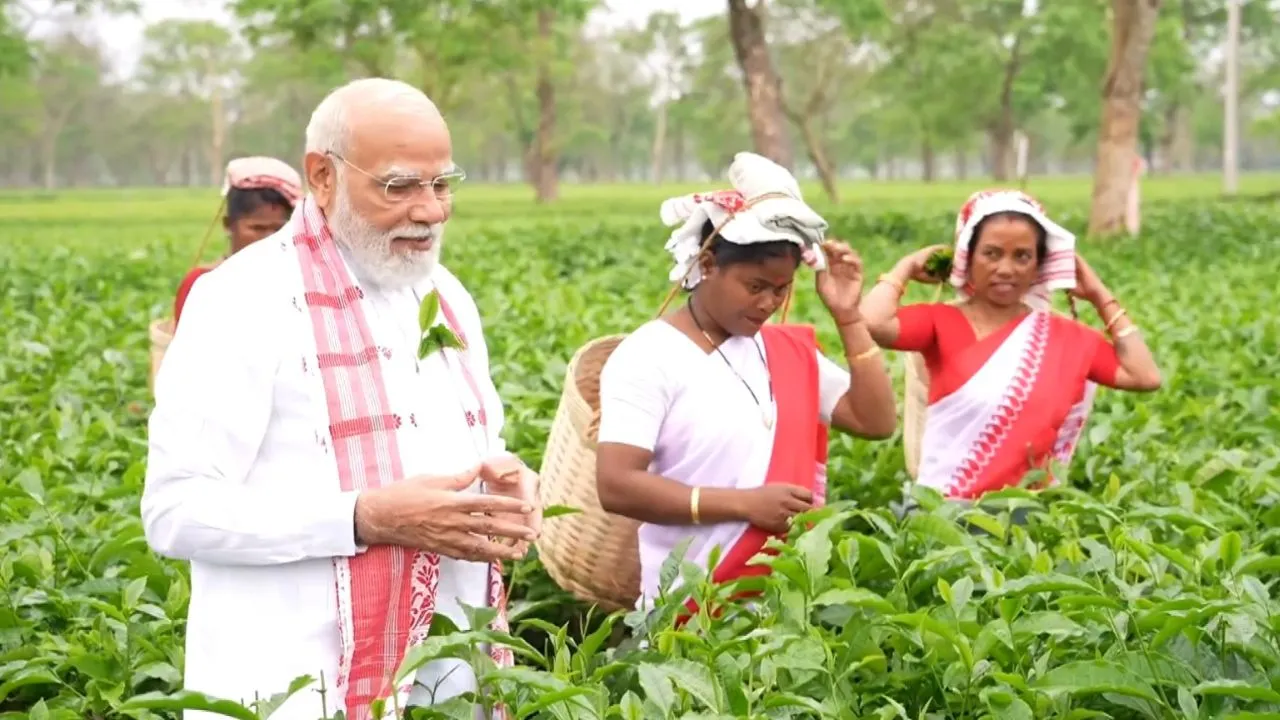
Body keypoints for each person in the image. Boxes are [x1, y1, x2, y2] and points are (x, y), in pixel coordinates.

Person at [141, 78, 541, 720]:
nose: (431, 210)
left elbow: (475, 449)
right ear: (322, 177)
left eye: (442, 185)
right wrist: (362, 518)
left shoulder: (447, 296)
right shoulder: (242, 299)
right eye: (399, 186)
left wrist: (509, 481)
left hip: (444, 679)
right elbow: (175, 510)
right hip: (293, 689)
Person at [594, 152, 898, 611]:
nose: (768, 304)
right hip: (686, 607)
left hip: (781, 605)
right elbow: (616, 484)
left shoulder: (784, 352)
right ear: (709, 263)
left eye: (781, 289)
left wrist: (849, 315)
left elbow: (874, 420)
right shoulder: (648, 355)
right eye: (755, 286)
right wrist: (744, 504)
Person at [860, 189, 1161, 502]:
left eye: (1022, 256)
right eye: (991, 253)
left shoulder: (1068, 338)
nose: (1006, 269)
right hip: (943, 516)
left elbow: (1144, 376)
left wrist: (1099, 294)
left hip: (1028, 522)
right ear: (968, 257)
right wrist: (905, 268)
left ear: (1039, 265)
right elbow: (872, 322)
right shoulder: (940, 323)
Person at [173, 157, 303, 325]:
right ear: (229, 225)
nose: (269, 238)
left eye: (278, 229)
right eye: (257, 228)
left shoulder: (301, 285)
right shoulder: (201, 285)